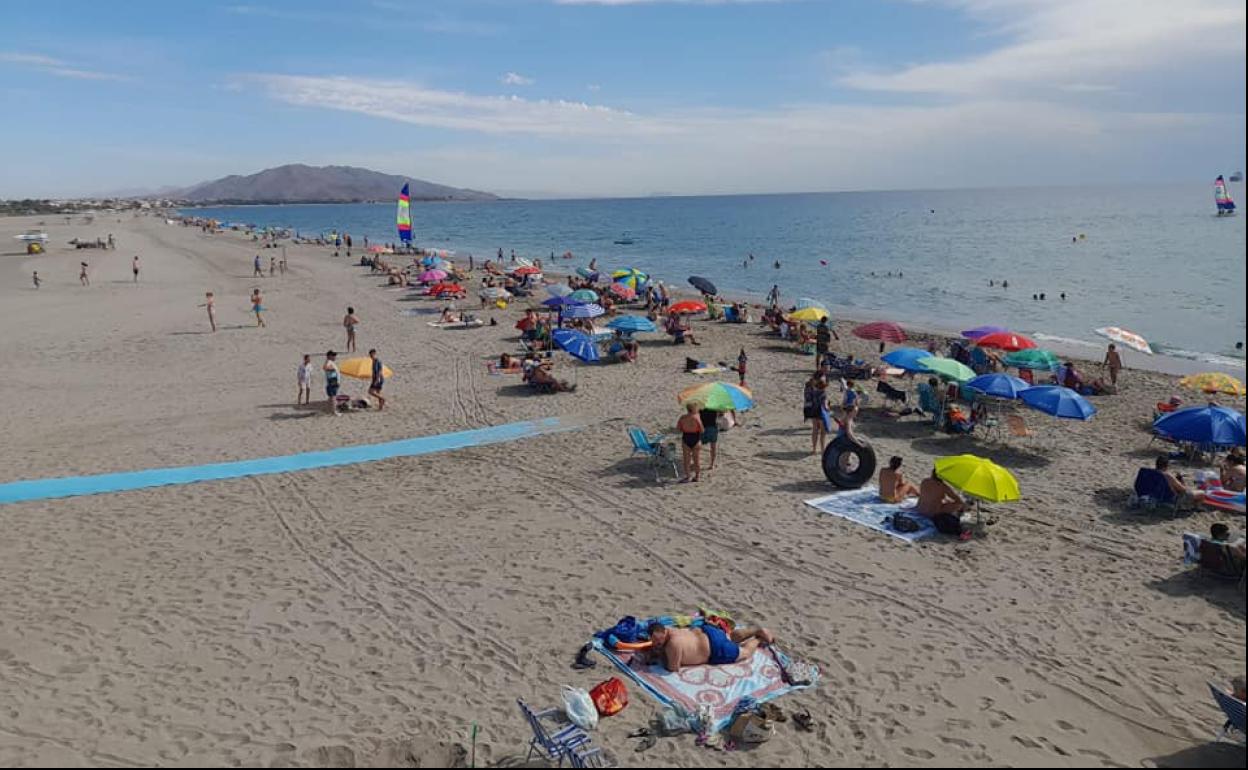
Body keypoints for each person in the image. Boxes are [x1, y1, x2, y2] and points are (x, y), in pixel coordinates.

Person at [645, 623, 775, 672]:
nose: (656, 644)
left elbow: (673, 668)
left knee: (745, 652)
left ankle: (758, 638)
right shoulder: (670, 629)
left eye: (658, 641)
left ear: (664, 633)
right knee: (730, 636)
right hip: (707, 631)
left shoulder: (673, 644)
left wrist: (660, 655)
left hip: (714, 649)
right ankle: (755, 630)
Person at [917, 468, 969, 538]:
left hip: (920, 509)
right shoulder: (943, 486)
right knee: (959, 505)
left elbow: (931, 495)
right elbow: (957, 499)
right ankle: (958, 516)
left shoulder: (924, 481)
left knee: (944, 501)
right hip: (932, 513)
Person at [677, 402, 704, 483]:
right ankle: (697, 476)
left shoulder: (682, 418)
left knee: (686, 460)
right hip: (695, 438)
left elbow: (678, 428)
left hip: (686, 437)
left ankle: (688, 476)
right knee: (696, 460)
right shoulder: (696, 418)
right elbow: (702, 430)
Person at [805, 375, 829, 455]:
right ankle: (822, 449)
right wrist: (828, 409)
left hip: (814, 411)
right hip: (821, 412)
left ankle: (814, 449)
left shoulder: (813, 391)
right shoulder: (823, 393)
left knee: (815, 430)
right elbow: (825, 405)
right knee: (822, 432)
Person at [700, 406, 720, 473]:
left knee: (698, 445)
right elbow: (719, 414)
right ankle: (712, 464)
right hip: (712, 427)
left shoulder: (701, 406)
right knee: (713, 447)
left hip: (702, 427)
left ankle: (697, 461)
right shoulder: (714, 406)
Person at [323, 351, 341, 415]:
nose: (334, 357)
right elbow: (325, 367)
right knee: (333, 397)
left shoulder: (330, 362)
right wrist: (332, 369)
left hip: (333, 381)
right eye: (333, 356)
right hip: (332, 381)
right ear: (330, 356)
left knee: (331, 397)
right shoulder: (329, 362)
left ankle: (328, 410)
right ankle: (334, 411)